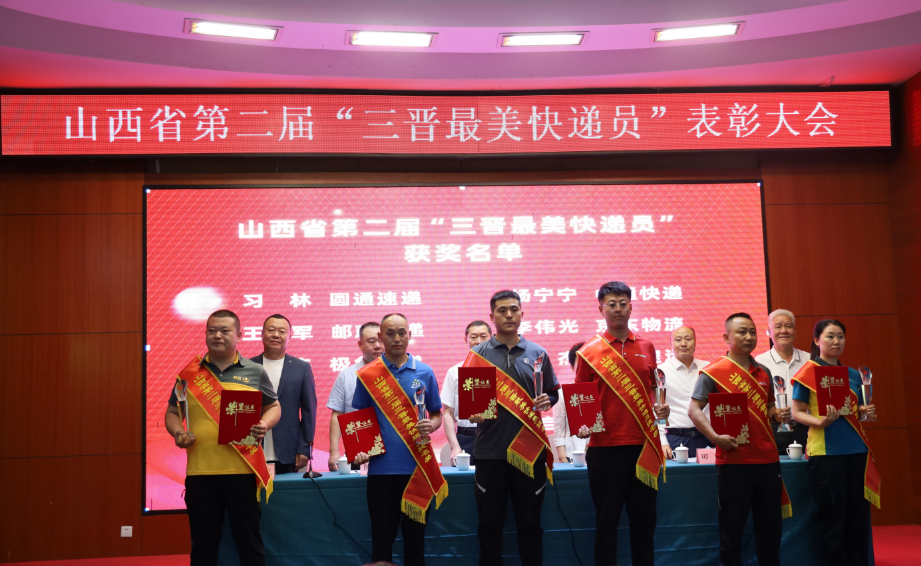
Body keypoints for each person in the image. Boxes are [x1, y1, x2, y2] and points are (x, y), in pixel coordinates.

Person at [164, 309, 280, 566]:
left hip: (242, 471)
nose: (217, 335)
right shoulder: (188, 374)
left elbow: (273, 406)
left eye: (225, 331)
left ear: (239, 335)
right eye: (212, 330)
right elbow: (173, 412)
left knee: (249, 543)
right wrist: (178, 432)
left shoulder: (254, 371)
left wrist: (264, 424)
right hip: (200, 473)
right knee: (203, 545)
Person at [575, 281, 669, 566]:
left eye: (623, 303)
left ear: (631, 306)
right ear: (601, 309)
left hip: (643, 446)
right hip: (605, 448)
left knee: (644, 524)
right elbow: (580, 397)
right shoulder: (589, 351)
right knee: (606, 524)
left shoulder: (647, 346)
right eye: (611, 304)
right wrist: (583, 424)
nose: (617, 309)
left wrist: (660, 409)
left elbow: (652, 389)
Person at [688, 313, 792, 566]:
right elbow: (693, 410)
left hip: (767, 459)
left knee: (770, 528)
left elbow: (768, 408)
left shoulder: (764, 372)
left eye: (752, 332)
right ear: (726, 337)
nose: (749, 337)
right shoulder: (713, 372)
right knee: (731, 529)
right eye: (742, 332)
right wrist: (714, 437)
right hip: (734, 461)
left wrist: (777, 414)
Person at [466, 290, 559, 566]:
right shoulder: (477, 354)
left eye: (514, 309)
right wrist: (474, 413)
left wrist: (548, 400)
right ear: (492, 316)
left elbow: (552, 392)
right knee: (489, 526)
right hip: (490, 453)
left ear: (522, 314)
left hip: (529, 453)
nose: (509, 315)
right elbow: (471, 405)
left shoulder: (538, 353)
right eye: (502, 310)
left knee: (530, 525)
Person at [352, 314, 445, 566]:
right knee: (381, 542)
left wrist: (432, 425)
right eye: (390, 333)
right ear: (380, 337)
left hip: (417, 469)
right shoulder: (368, 374)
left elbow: (437, 414)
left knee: (415, 541)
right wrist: (360, 450)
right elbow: (360, 417)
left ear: (410, 335)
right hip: (381, 470)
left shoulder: (424, 371)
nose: (396, 338)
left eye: (402, 333)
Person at [791, 319, 880, 566]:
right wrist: (820, 422)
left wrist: (864, 411)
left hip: (857, 451)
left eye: (840, 336)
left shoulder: (853, 375)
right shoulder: (807, 373)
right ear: (816, 340)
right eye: (830, 336)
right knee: (834, 519)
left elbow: (854, 412)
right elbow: (797, 413)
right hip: (826, 454)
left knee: (858, 519)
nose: (836, 341)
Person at [250, 314, 317, 475]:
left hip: (288, 452)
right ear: (262, 334)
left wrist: (304, 448)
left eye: (281, 331)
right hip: (252, 449)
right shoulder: (248, 367)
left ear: (289, 336)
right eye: (271, 330)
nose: (276, 335)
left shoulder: (302, 368)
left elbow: (309, 412)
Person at [326, 321, 383, 471]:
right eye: (371, 341)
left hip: (395, 453)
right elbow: (337, 414)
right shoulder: (347, 375)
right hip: (359, 452)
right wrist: (334, 451)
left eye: (381, 341)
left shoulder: (398, 374)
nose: (378, 346)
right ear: (360, 345)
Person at [754, 309, 811, 453]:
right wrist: (774, 414)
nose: (784, 331)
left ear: (795, 331)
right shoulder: (759, 362)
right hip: (774, 429)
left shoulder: (809, 360)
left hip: (808, 429)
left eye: (788, 326)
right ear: (769, 332)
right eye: (778, 326)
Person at [440, 320, 492, 465]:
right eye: (473, 337)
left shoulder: (501, 371)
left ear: (491, 339)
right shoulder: (454, 372)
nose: (478, 341)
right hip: (465, 438)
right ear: (466, 340)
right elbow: (447, 413)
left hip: (494, 437)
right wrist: (455, 447)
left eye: (483, 336)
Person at [658, 326, 710, 459]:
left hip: (707, 438)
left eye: (688, 339)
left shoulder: (709, 368)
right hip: (675, 439)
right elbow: (658, 410)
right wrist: (662, 441)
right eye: (678, 340)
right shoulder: (661, 372)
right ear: (671, 343)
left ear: (695, 341)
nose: (683, 344)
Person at [553, 342, 588, 463]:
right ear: (573, 367)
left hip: (599, 456)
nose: (585, 369)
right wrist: (563, 459)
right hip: (572, 456)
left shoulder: (603, 392)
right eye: (580, 365)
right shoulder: (563, 394)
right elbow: (559, 431)